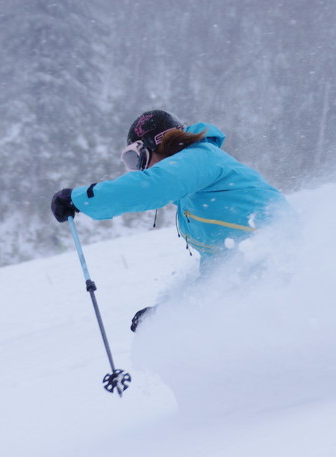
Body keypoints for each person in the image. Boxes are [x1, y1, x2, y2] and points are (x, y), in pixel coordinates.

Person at [51, 109, 292, 331]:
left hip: (284, 270)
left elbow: (149, 187)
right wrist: (168, 313)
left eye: (137, 159)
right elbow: (218, 269)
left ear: (157, 143)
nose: (141, 169)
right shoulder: (193, 197)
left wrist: (78, 199)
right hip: (263, 281)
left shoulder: (200, 157)